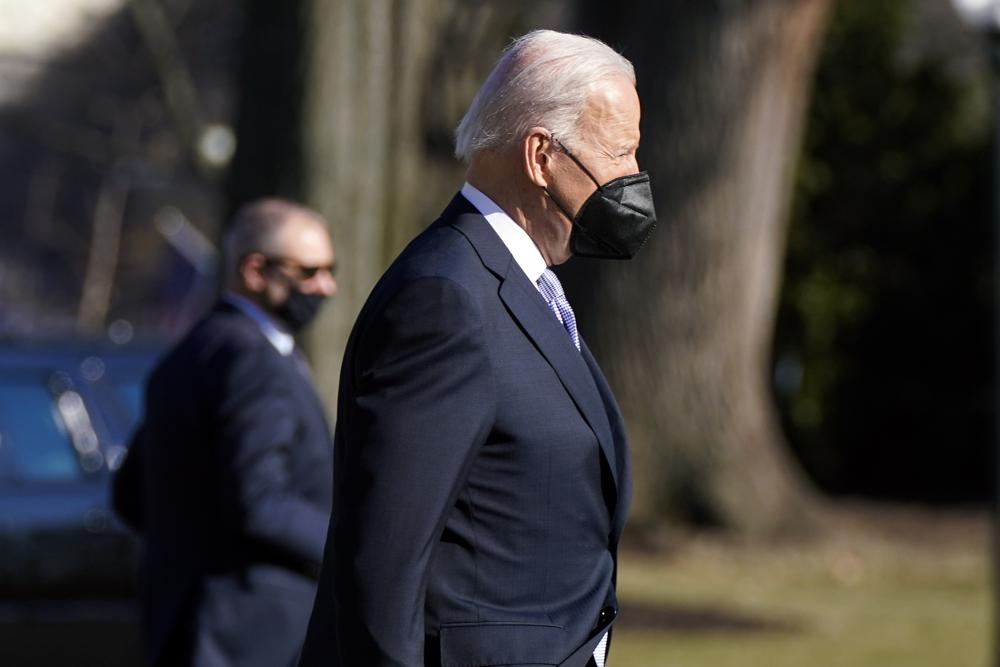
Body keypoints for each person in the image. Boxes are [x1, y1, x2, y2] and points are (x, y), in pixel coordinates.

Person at [298, 29, 656, 667]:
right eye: (619, 152)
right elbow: (383, 562)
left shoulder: (523, 284)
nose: (631, 177)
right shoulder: (445, 299)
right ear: (541, 155)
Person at [112, 198, 338, 667]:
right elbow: (260, 501)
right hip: (251, 631)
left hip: (187, 623)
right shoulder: (255, 362)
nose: (326, 286)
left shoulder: (193, 351)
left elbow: (130, 495)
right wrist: (350, 546)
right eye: (310, 272)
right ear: (256, 271)